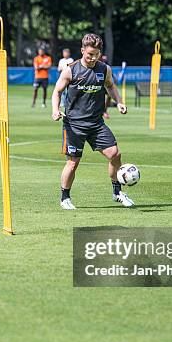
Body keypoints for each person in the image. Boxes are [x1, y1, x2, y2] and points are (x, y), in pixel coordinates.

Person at [51, 33, 134, 210]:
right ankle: (65, 198)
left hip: (96, 124)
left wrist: (119, 102)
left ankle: (117, 192)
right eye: (89, 54)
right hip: (74, 124)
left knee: (115, 154)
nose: (93, 58)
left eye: (96, 54)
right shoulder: (70, 70)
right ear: (82, 51)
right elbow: (57, 91)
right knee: (73, 162)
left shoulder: (104, 69)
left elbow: (110, 86)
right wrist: (55, 110)